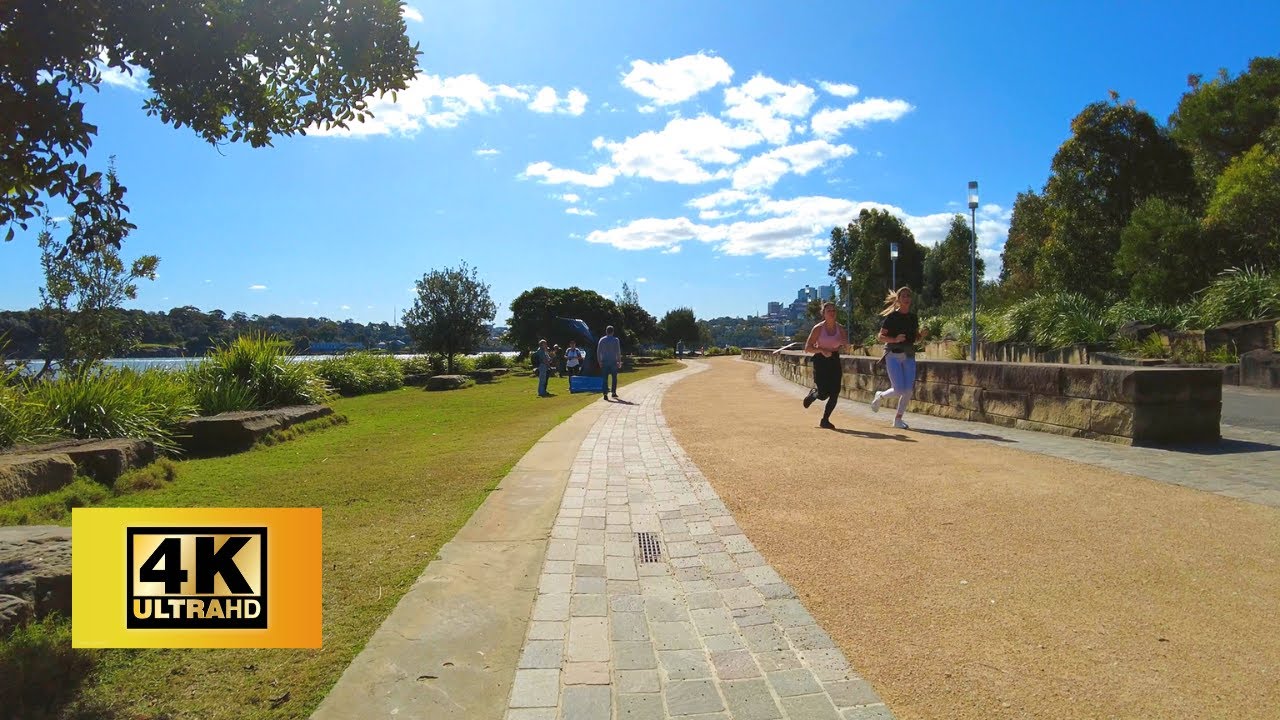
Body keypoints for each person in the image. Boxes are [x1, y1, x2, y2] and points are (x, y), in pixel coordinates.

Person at [870, 286, 928, 429]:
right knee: (899, 389)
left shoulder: (913, 317)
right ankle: (881, 395)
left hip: (908, 355)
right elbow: (880, 337)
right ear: (898, 300)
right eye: (904, 296)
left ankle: (898, 419)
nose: (907, 299)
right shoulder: (892, 317)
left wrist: (921, 335)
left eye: (908, 296)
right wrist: (895, 339)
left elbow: (914, 338)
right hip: (893, 355)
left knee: (908, 390)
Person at [802, 302, 849, 429]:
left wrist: (846, 345)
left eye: (834, 310)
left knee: (835, 391)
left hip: (834, 360)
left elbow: (846, 345)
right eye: (829, 311)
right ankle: (813, 395)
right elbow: (808, 348)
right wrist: (822, 350)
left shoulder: (841, 329)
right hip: (820, 360)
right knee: (823, 394)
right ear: (823, 314)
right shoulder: (818, 328)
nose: (832, 313)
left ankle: (825, 420)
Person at [597, 325, 622, 400]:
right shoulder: (616, 340)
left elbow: (598, 351)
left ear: (606, 331)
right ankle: (613, 392)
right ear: (613, 332)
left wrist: (599, 361)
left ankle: (605, 394)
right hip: (613, 361)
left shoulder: (602, 340)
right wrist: (619, 361)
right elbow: (618, 352)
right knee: (614, 378)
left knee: (605, 378)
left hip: (604, 361)